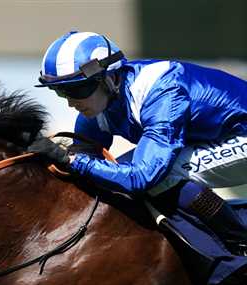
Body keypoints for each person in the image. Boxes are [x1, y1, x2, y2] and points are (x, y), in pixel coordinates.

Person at [30, 30, 247, 252]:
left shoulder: (163, 92)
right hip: (220, 137)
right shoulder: (98, 103)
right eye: (62, 92)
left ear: (110, 77)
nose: (71, 103)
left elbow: (143, 177)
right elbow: (83, 165)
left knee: (164, 176)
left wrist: (70, 159)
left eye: (78, 89)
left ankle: (240, 245)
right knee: (113, 173)